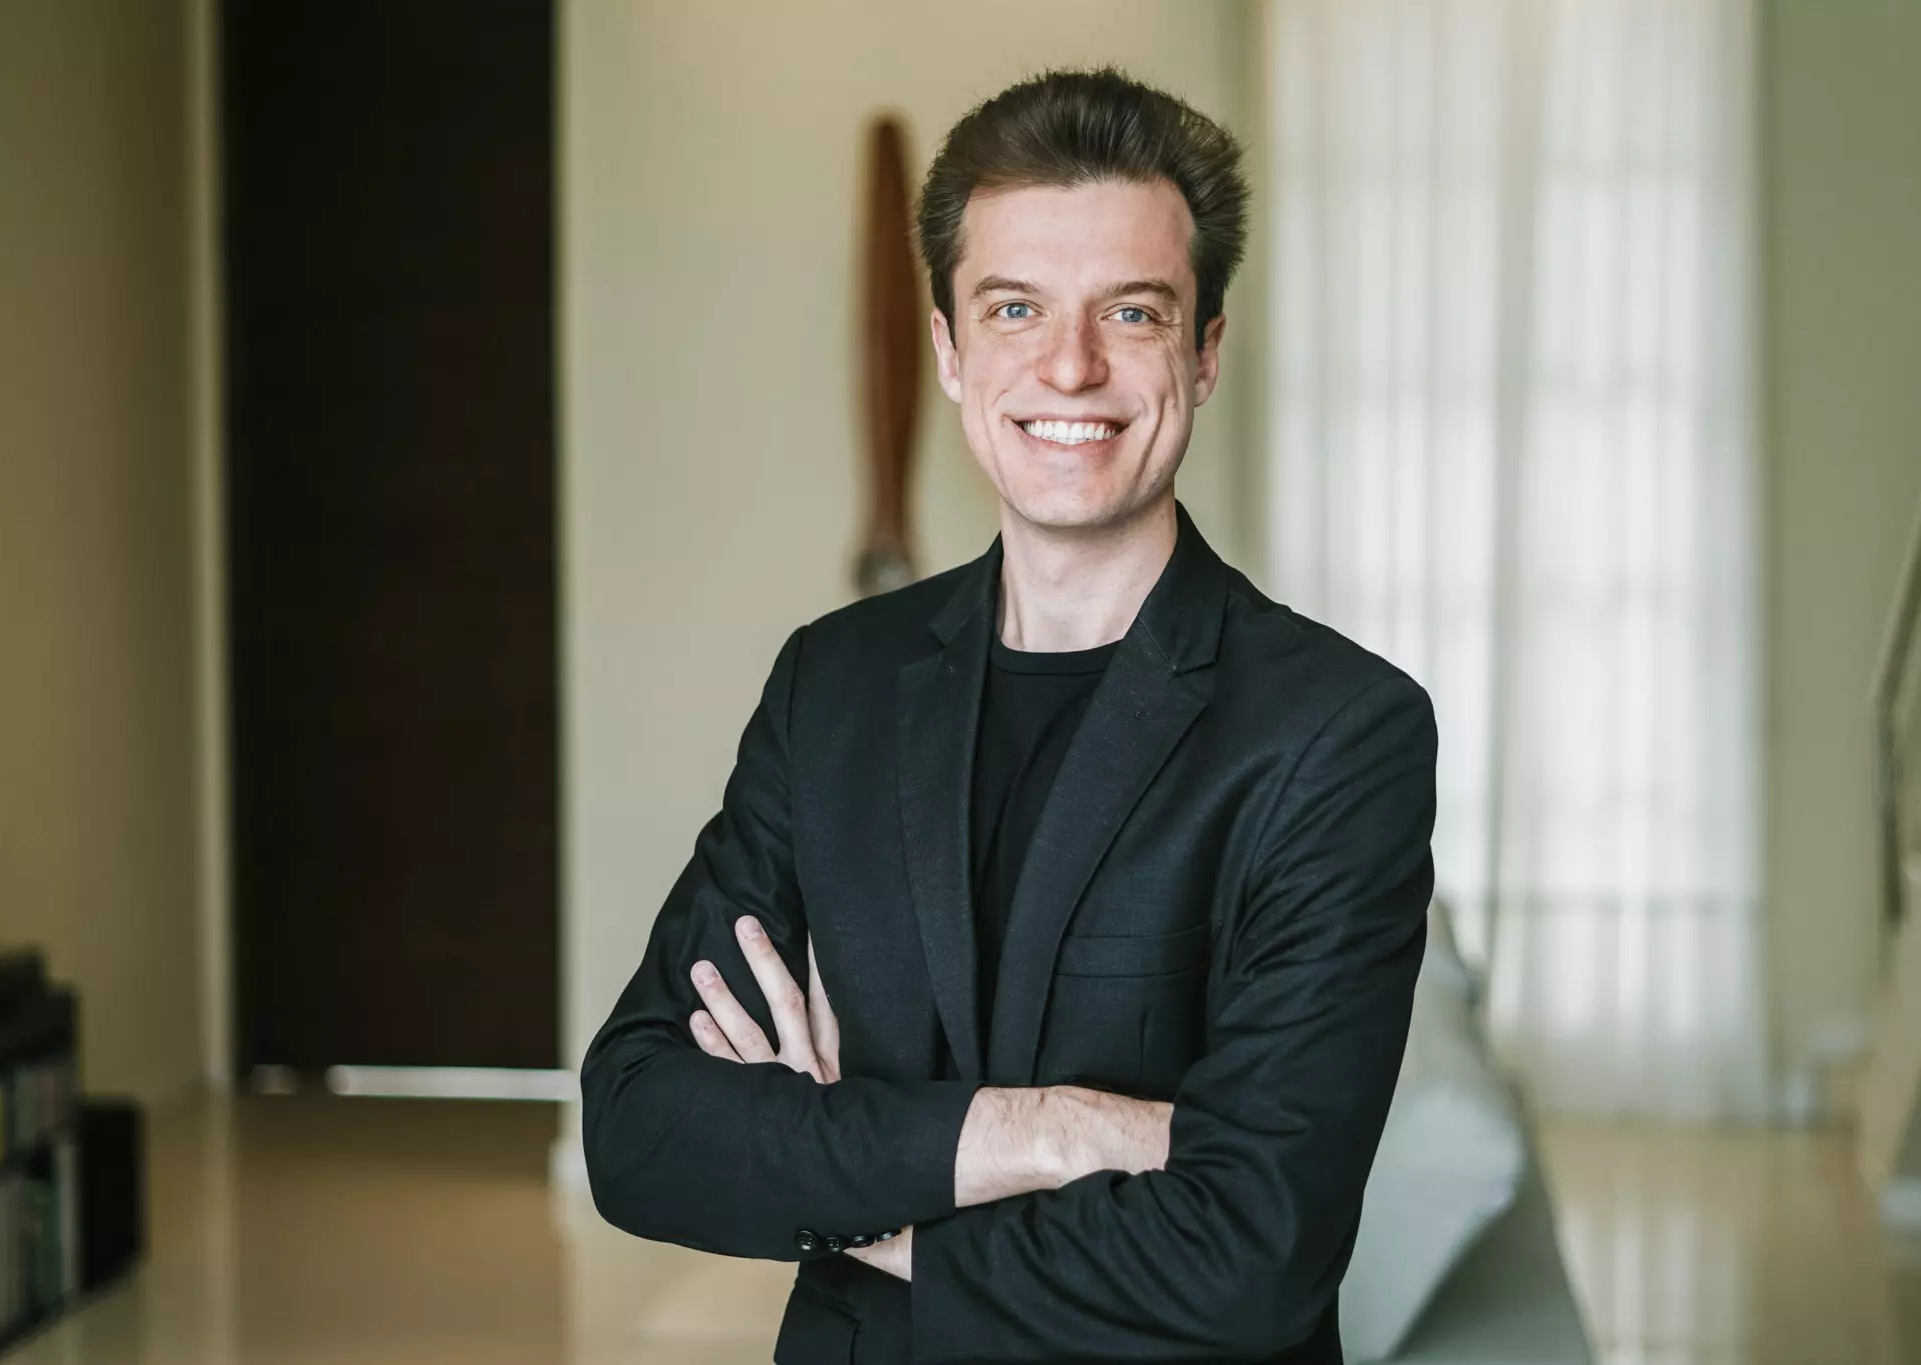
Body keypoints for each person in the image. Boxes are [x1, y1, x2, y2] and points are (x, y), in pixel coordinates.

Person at [580, 67, 1437, 1365]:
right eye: (1015, 307)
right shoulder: (831, 686)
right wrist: (1056, 1130)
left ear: (1205, 351)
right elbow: (641, 1128)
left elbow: (1253, 1256)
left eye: (1132, 312)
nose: (1069, 367)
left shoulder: (1337, 732)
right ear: (948, 348)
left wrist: (838, 1163)